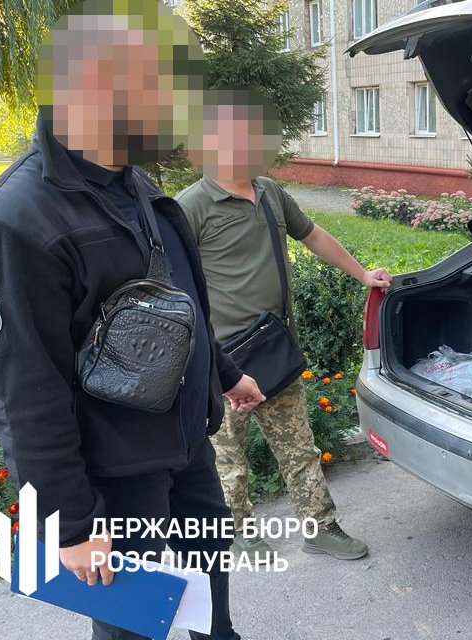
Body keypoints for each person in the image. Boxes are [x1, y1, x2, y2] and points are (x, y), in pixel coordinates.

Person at [0, 5, 264, 639]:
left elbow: (170, 302)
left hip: (184, 444)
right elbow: (26, 388)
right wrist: (67, 523)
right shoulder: (17, 218)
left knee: (211, 593)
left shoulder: (132, 182)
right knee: (132, 626)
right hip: (113, 474)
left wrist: (224, 373)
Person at [176, 94, 391, 560]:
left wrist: (362, 274)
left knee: (299, 447)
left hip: (274, 348)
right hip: (223, 360)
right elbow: (174, 286)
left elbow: (313, 235)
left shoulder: (270, 192)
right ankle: (237, 531)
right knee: (227, 455)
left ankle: (321, 528)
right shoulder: (191, 206)